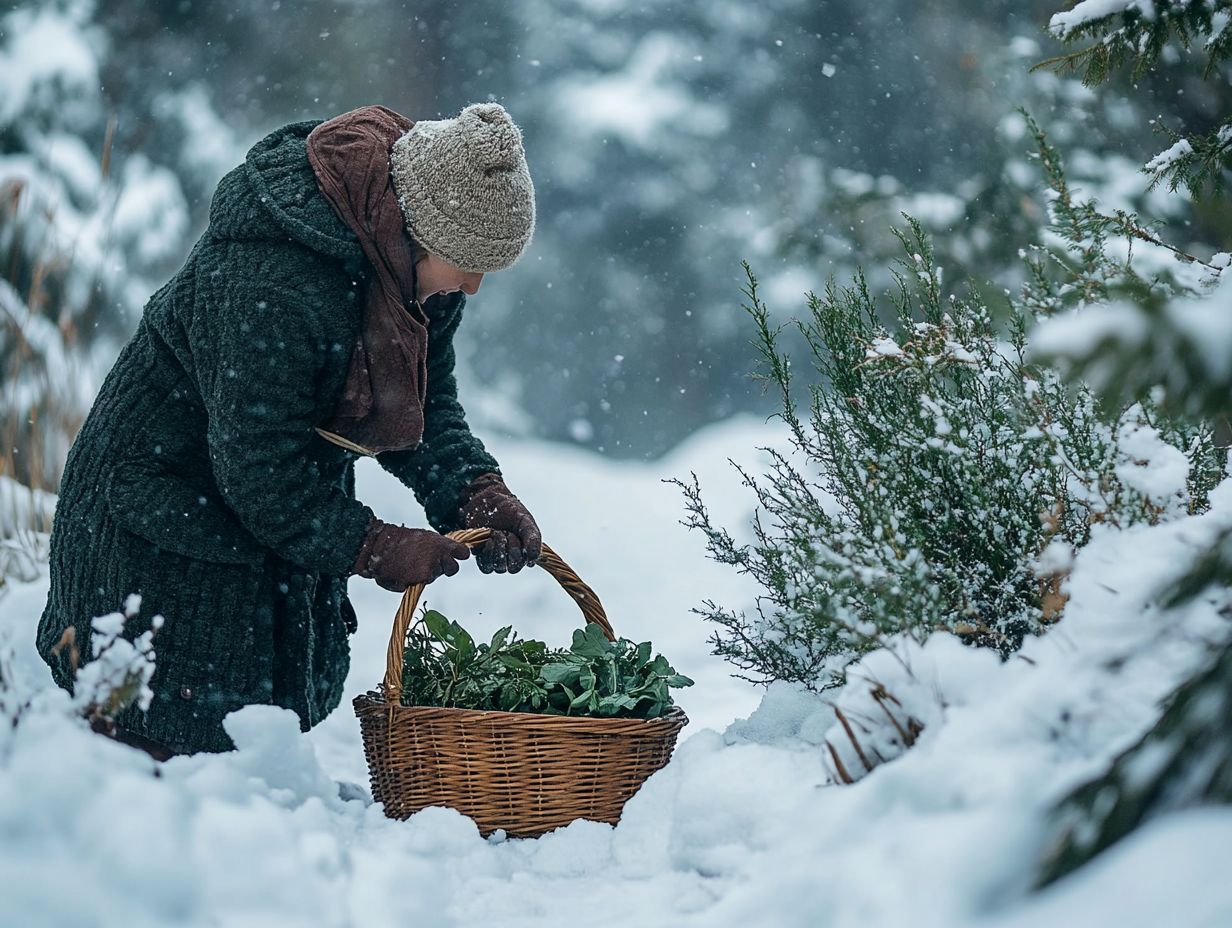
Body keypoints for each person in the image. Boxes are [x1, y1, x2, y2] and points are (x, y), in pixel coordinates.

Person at [35, 102, 543, 758]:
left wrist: (474, 490)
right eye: (465, 262)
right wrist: (373, 545)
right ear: (412, 229)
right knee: (153, 750)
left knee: (252, 757)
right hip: (157, 516)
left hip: (255, 514)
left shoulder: (417, 283)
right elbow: (259, 466)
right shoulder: (275, 280)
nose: (472, 286)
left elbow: (424, 406)